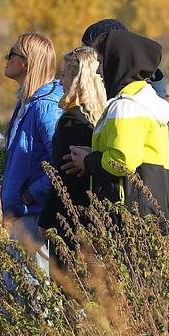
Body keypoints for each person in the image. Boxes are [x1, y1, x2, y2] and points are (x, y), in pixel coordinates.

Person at [61, 30, 169, 233]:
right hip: (149, 212)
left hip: (129, 214)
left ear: (118, 64)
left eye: (102, 63)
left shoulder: (126, 107)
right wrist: (93, 152)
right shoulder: (145, 101)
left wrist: (88, 162)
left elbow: (122, 162)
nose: (98, 72)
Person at [38, 46, 108, 270]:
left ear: (77, 80)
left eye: (65, 75)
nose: (61, 82)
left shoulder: (71, 123)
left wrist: (45, 221)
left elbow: (62, 182)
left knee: (70, 295)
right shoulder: (102, 119)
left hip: (68, 225)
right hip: (98, 225)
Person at [0, 32, 63, 276]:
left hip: (34, 217)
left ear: (26, 62)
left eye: (12, 53)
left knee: (34, 299)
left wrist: (30, 193)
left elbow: (60, 160)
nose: (7, 58)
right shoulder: (27, 102)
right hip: (25, 216)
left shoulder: (46, 106)